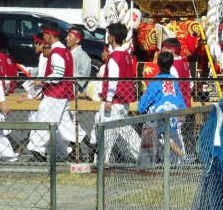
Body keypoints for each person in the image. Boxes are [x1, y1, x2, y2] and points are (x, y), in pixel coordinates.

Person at [91, 22, 140, 164]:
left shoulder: (114, 57)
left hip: (114, 101)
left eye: (108, 35)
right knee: (127, 132)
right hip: (123, 100)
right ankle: (143, 157)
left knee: (106, 133)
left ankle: (100, 162)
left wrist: (109, 99)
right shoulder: (126, 55)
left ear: (112, 37)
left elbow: (113, 79)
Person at [27, 22, 75, 162]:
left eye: (44, 35)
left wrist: (41, 80)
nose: (43, 38)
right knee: (62, 126)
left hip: (55, 93)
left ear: (49, 35)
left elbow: (58, 74)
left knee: (44, 120)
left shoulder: (56, 52)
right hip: (64, 94)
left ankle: (38, 150)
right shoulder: (65, 51)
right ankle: (66, 152)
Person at [137, 51, 187, 161]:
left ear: (157, 64)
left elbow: (148, 97)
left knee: (163, 138)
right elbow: (179, 96)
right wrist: (183, 111)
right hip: (173, 113)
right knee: (167, 138)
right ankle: (174, 159)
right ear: (171, 64)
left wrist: (140, 109)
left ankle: (182, 157)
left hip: (158, 115)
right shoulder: (173, 80)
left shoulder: (156, 81)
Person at [65, 26, 93, 162]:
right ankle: (77, 152)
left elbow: (83, 78)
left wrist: (75, 90)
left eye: (69, 36)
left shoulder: (83, 57)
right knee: (70, 125)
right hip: (66, 93)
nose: (66, 38)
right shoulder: (68, 53)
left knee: (72, 125)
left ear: (77, 39)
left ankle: (84, 148)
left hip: (74, 94)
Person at [162, 37, 192, 107]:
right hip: (185, 104)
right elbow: (191, 84)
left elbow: (169, 87)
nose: (161, 51)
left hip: (174, 105)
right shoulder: (184, 64)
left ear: (171, 50)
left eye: (164, 49)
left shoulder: (171, 66)